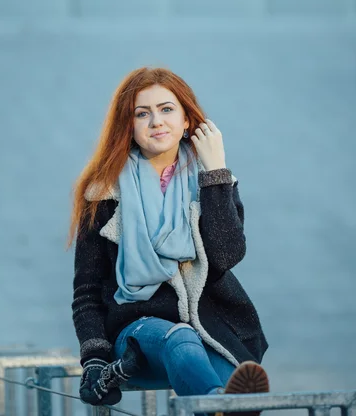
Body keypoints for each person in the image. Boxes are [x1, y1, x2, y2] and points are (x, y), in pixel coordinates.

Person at [67, 66, 269, 416]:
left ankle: (221, 405)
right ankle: (215, 405)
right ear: (128, 127)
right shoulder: (103, 193)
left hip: (209, 325)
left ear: (188, 120)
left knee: (244, 404)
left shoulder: (215, 182)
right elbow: (86, 290)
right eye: (141, 114)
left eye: (166, 109)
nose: (155, 121)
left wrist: (215, 172)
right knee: (180, 340)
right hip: (139, 334)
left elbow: (226, 256)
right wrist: (95, 359)